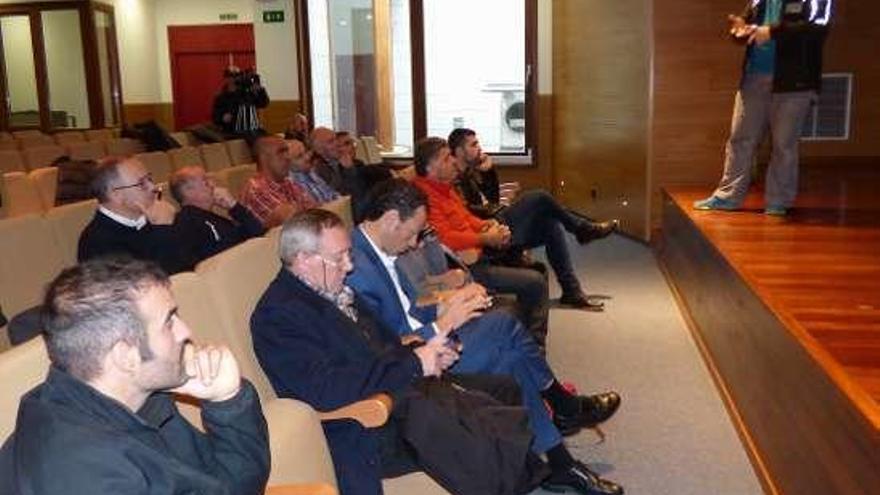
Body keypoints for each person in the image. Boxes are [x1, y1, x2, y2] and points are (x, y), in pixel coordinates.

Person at [252, 209, 622, 495]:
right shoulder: (279, 315)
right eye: (340, 258)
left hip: (394, 389)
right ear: (303, 260)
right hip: (365, 423)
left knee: (503, 388)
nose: (349, 267)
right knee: (477, 423)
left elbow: (385, 345)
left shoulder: (330, 290)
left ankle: (537, 468)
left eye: (349, 255)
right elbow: (325, 390)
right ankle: (531, 469)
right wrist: (414, 363)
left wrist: (427, 353)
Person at [348, 180, 624, 495]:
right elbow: (388, 345)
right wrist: (443, 322)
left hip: (431, 333)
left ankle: (560, 459)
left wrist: (452, 298)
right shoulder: (357, 268)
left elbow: (411, 305)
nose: (414, 243)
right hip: (417, 359)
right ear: (390, 220)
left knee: (510, 355)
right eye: (411, 234)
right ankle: (561, 407)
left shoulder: (381, 248)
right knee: (503, 326)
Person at [1, 257, 270, 494]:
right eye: (169, 321)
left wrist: (227, 400)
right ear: (125, 356)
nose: (185, 331)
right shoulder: (85, 474)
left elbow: (228, 485)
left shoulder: (133, 402)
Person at [693, 0, 832, 216]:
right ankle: (727, 196)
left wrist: (771, 32)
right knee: (740, 138)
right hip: (754, 76)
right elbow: (750, 25)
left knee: (784, 144)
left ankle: (778, 201)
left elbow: (817, 26)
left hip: (794, 80)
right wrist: (741, 29)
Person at [78, 156, 187, 275]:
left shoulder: (150, 218)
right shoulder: (98, 243)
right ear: (116, 194)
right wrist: (163, 228)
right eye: (141, 184)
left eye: (150, 179)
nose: (153, 188)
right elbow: (152, 282)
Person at [170, 166, 265, 269]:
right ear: (188, 191)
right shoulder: (187, 223)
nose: (213, 185)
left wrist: (234, 206)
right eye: (206, 182)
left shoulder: (212, 217)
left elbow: (259, 234)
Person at [240, 136, 317, 228]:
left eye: (287, 151)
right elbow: (292, 220)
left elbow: (315, 209)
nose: (288, 157)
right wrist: (301, 208)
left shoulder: (287, 182)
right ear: (264, 158)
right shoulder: (256, 189)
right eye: (281, 152)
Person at [211, 65, 270, 137]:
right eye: (231, 76)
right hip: (231, 132)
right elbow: (215, 116)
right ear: (226, 78)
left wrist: (260, 90)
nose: (234, 79)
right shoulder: (221, 97)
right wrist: (222, 117)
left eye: (237, 76)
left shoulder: (247, 93)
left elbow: (263, 103)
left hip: (252, 131)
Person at [310, 126, 366, 197]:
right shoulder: (318, 168)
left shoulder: (338, 161)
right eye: (331, 142)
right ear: (319, 150)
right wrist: (349, 170)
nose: (337, 144)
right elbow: (343, 193)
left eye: (335, 139)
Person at [287, 138, 339, 204]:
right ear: (287, 163)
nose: (307, 157)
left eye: (305, 152)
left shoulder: (311, 172)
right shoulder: (291, 184)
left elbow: (331, 194)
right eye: (299, 156)